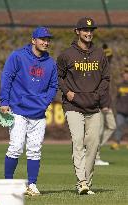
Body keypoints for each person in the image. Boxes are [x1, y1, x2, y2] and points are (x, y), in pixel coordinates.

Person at [0, 27, 58, 196]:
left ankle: (32, 184)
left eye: (48, 40)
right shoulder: (18, 56)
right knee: (16, 147)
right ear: (33, 40)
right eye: (42, 39)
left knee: (34, 149)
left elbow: (54, 86)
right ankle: (8, 183)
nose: (46, 42)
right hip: (18, 109)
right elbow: (7, 77)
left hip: (38, 113)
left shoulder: (50, 63)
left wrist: (45, 102)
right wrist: (4, 101)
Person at [57, 17, 110, 195]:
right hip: (73, 106)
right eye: (85, 30)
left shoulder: (100, 54)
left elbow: (106, 78)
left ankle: (87, 182)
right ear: (77, 31)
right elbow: (59, 77)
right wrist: (68, 92)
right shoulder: (66, 55)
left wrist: (98, 96)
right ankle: (81, 182)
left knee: (93, 146)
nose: (88, 33)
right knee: (78, 141)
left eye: (91, 30)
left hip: (93, 107)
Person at [95, 43, 116, 165]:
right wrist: (103, 105)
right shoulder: (100, 69)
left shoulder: (106, 68)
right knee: (99, 130)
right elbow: (100, 89)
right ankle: (95, 157)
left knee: (112, 126)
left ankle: (92, 149)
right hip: (100, 105)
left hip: (105, 103)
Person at [111, 66, 128, 150]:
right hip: (121, 111)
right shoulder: (119, 85)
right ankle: (116, 143)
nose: (126, 76)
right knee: (118, 126)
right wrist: (116, 107)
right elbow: (115, 98)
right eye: (125, 74)